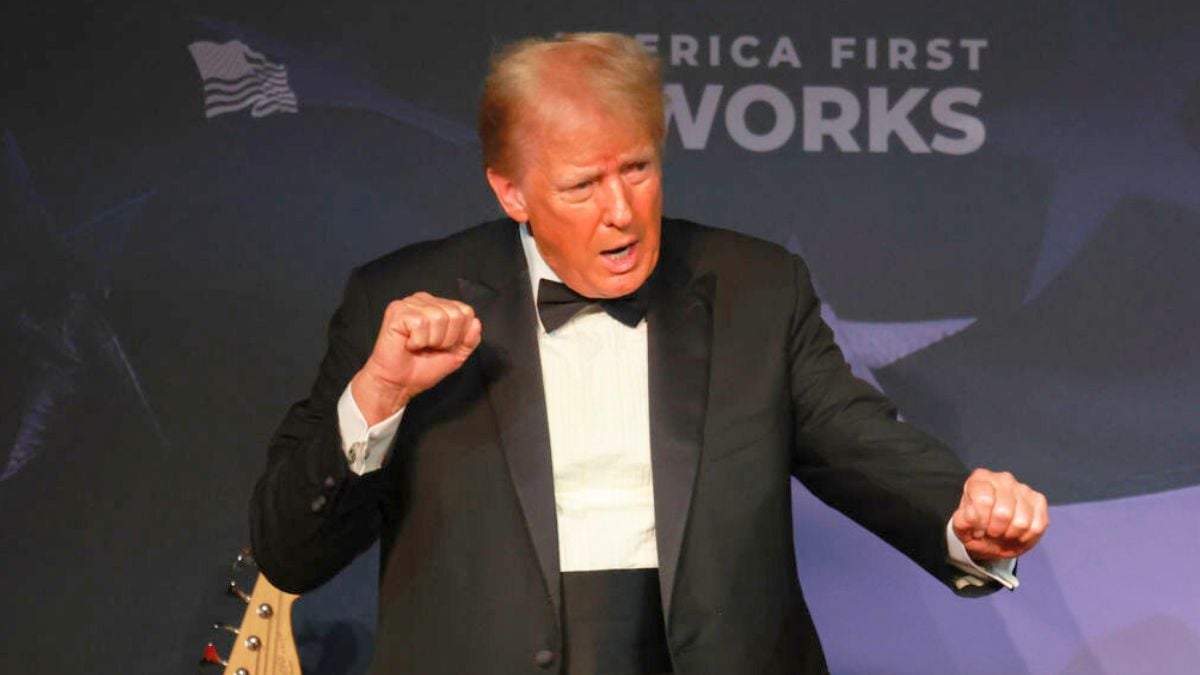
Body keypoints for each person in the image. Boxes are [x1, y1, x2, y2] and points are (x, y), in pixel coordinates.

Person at [250, 32, 1048, 675]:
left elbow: (858, 439)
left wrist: (962, 517)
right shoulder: (401, 300)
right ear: (512, 193)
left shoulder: (755, 288)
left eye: (638, 168)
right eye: (581, 186)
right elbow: (291, 551)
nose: (621, 213)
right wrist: (380, 391)